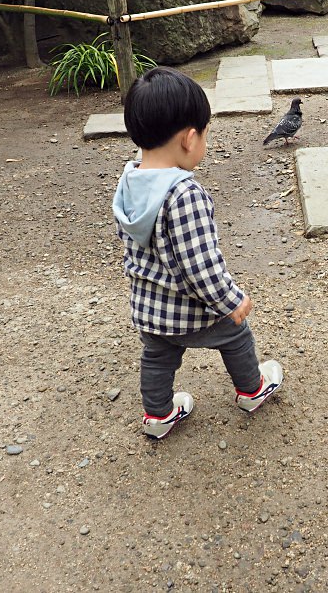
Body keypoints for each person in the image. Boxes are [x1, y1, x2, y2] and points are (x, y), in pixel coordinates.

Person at [112, 66, 284, 440]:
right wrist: (230, 300)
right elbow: (199, 264)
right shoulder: (183, 194)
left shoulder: (130, 180)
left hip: (149, 307)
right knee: (237, 335)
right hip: (193, 308)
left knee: (157, 356)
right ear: (190, 139)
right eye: (206, 134)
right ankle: (252, 390)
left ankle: (158, 416)